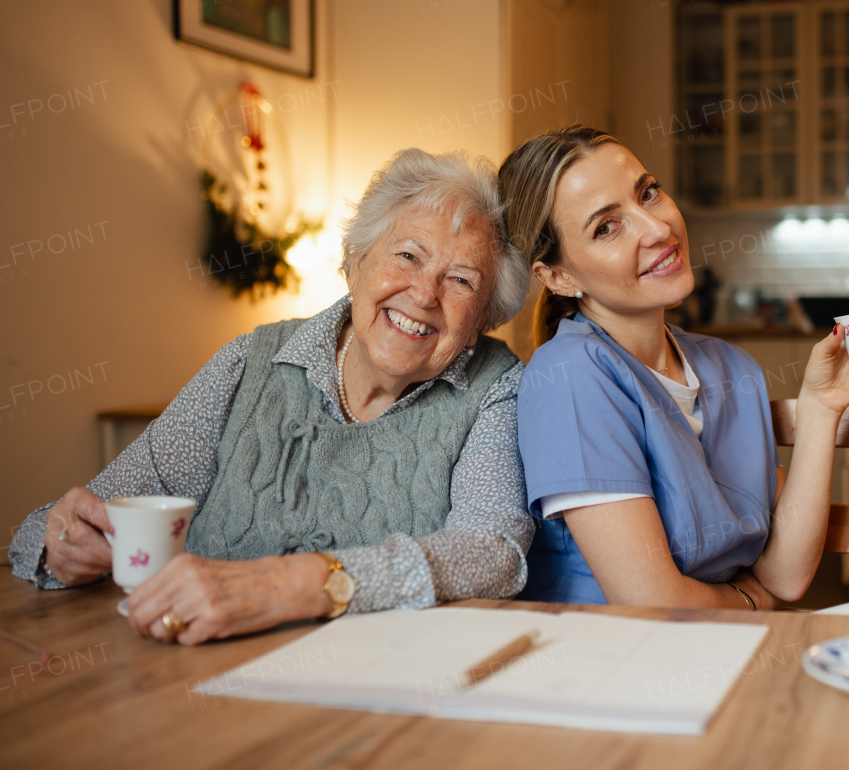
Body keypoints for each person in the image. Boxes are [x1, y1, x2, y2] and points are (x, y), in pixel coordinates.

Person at [8, 148, 536, 644]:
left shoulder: (495, 390)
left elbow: (493, 550)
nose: (424, 294)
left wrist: (303, 583)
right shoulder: (248, 365)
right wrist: (62, 548)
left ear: (482, 321)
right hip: (193, 670)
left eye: (461, 281)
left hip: (378, 695)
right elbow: (68, 522)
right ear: (354, 262)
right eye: (407, 255)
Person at [499, 125, 849, 621]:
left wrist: (823, 407)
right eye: (607, 226)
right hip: (628, 662)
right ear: (559, 275)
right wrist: (751, 605)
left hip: (733, 641)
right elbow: (651, 602)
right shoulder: (569, 375)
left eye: (649, 193)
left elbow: (787, 577)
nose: (658, 228)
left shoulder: (730, 368)